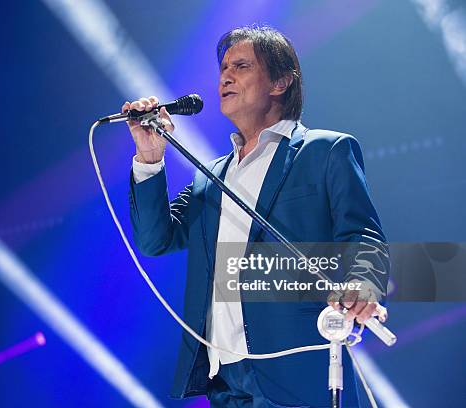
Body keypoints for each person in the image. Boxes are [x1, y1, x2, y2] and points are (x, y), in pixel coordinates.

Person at [124, 25, 388, 408]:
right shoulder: (211, 175)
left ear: (280, 82)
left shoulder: (325, 151)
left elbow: (362, 235)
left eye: (242, 66)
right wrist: (150, 158)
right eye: (223, 68)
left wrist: (362, 283)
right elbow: (154, 240)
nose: (225, 76)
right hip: (224, 379)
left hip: (296, 366)